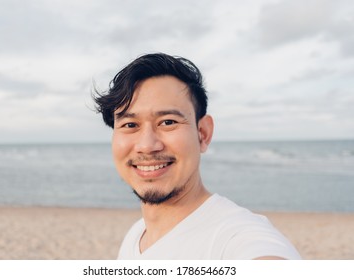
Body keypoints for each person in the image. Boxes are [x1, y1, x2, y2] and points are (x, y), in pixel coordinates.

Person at [94, 53, 301, 260]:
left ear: (203, 133)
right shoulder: (136, 235)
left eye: (168, 122)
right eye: (130, 125)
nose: (147, 146)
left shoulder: (235, 238)